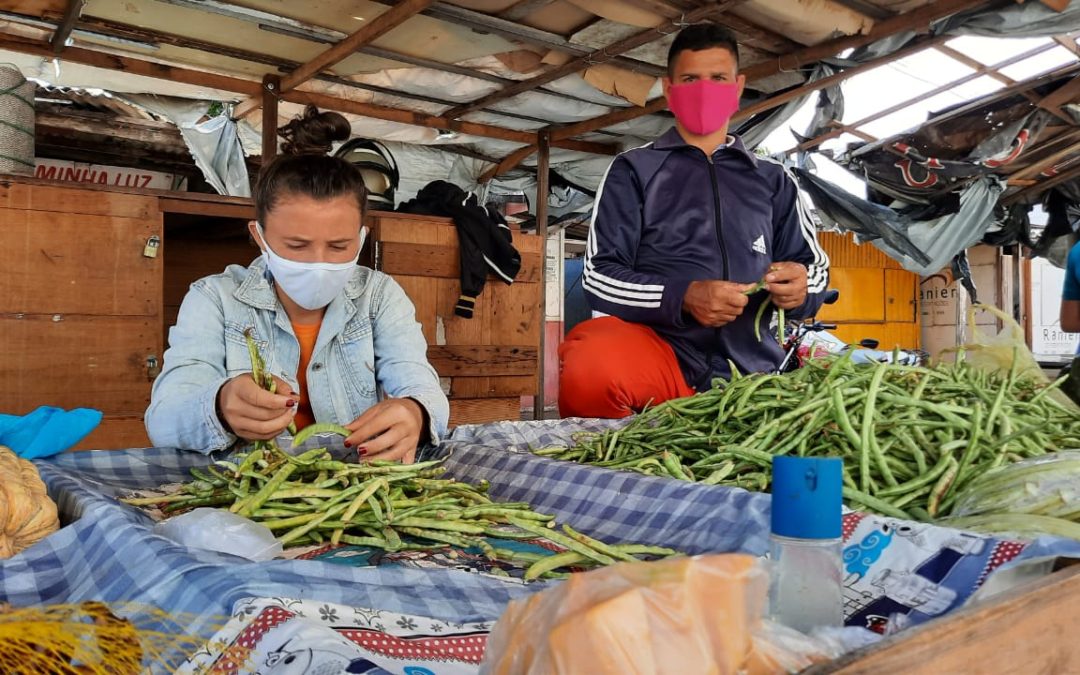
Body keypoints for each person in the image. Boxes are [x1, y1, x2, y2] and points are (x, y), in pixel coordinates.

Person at [146, 106, 449, 462]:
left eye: (339, 246)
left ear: (362, 238)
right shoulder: (214, 298)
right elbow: (164, 420)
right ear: (259, 236)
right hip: (249, 488)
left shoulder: (380, 297)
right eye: (296, 246)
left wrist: (415, 412)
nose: (318, 262)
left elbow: (420, 382)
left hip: (356, 483)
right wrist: (220, 405)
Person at [559, 24, 830, 419]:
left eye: (718, 78)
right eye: (690, 79)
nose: (705, 89)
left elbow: (815, 270)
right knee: (591, 360)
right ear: (669, 90)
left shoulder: (774, 180)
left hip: (752, 372)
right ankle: (611, 472)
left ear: (737, 87)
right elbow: (600, 277)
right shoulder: (634, 169)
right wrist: (682, 296)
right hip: (662, 359)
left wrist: (801, 289)